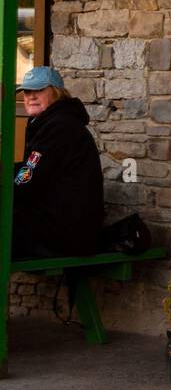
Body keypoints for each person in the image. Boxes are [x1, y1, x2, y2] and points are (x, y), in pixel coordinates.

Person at [11, 66, 104, 260]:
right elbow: (33, 169)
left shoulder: (60, 126)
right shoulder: (49, 122)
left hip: (67, 234)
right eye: (27, 91)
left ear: (57, 92)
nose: (31, 96)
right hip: (62, 226)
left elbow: (27, 180)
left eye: (39, 90)